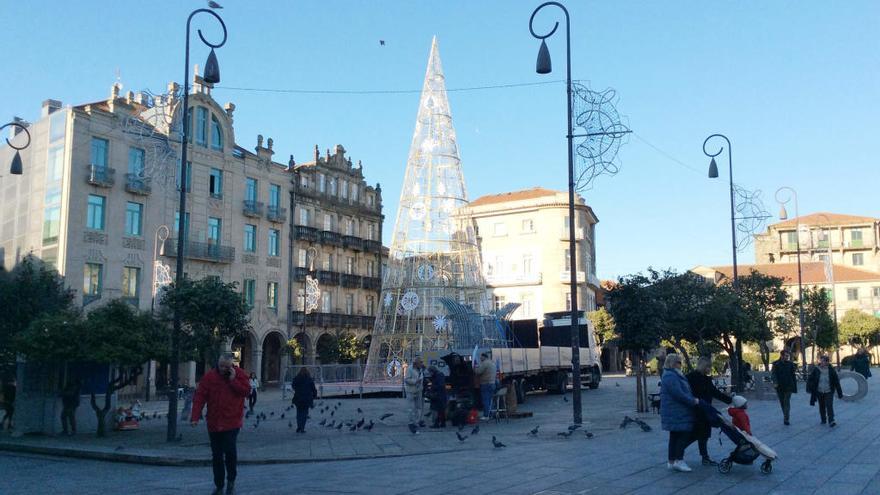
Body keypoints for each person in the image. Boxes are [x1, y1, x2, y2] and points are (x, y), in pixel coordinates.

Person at [191, 353, 251, 495]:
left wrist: (233, 380)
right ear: (218, 364)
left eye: (226, 366)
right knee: (216, 455)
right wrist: (195, 416)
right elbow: (200, 396)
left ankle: (231, 480)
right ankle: (219, 484)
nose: (223, 368)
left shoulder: (240, 374)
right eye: (221, 365)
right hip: (214, 421)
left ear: (232, 365)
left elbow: (246, 391)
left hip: (232, 421)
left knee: (230, 451)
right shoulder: (210, 377)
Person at [686, 356, 732, 466]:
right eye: (708, 367)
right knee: (696, 434)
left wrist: (729, 400)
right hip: (696, 409)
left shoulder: (706, 378)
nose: (710, 369)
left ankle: (704, 457)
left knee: (703, 434)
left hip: (706, 410)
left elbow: (714, 392)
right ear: (703, 366)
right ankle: (677, 452)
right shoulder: (690, 377)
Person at [660, 353, 700, 473]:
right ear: (673, 363)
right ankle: (679, 460)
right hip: (677, 410)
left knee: (675, 435)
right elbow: (678, 394)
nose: (681, 365)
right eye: (679, 362)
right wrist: (692, 401)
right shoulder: (671, 376)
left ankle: (671, 461)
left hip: (676, 410)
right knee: (683, 434)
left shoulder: (671, 374)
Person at [807, 354, 843, 427]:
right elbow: (810, 379)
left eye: (823, 361)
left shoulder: (831, 370)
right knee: (822, 406)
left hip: (828, 391)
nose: (821, 362)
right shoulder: (816, 369)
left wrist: (840, 393)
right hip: (819, 391)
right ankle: (823, 419)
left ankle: (831, 420)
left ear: (827, 362)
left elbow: (836, 382)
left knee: (829, 405)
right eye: (821, 361)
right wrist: (810, 388)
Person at [770, 350, 798, 425]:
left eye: (788, 356)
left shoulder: (790, 364)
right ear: (781, 356)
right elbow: (773, 374)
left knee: (786, 402)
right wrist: (775, 382)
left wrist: (794, 386)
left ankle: (786, 418)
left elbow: (793, 375)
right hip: (779, 386)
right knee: (782, 403)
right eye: (786, 356)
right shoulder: (776, 364)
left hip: (788, 386)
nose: (787, 357)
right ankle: (785, 415)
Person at [291, 367, 317, 433]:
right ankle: (302, 427)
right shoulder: (309, 379)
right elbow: (313, 388)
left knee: (299, 413)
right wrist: (314, 396)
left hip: (298, 398)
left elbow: (293, 386)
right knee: (304, 414)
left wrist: (298, 390)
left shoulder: (297, 378)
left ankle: (299, 426)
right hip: (306, 399)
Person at [404, 357, 426, 432]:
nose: (422, 364)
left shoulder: (421, 369)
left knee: (419, 407)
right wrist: (415, 381)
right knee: (411, 408)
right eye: (420, 362)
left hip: (419, 390)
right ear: (416, 363)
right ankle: (411, 422)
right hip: (411, 390)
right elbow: (406, 379)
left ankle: (417, 422)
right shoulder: (410, 369)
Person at [475, 353, 497, 420]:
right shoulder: (492, 363)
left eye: (481, 357)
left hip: (485, 384)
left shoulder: (484, 363)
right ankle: (491, 414)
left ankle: (486, 415)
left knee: (485, 400)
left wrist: (475, 367)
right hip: (492, 383)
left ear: (484, 357)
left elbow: (478, 372)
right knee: (491, 400)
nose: (480, 359)